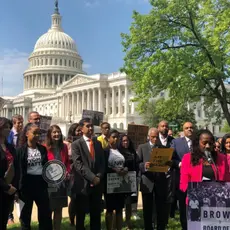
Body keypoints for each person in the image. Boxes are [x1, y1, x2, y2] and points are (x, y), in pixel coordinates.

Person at [16, 123, 52, 230]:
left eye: (38, 133)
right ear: (27, 134)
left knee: (45, 213)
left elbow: (46, 166)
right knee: (25, 215)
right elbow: (18, 170)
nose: (37, 135)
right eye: (34, 133)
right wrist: (17, 189)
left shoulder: (42, 149)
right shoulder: (20, 151)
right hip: (26, 185)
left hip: (41, 183)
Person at [71, 118, 105, 230]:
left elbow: (102, 162)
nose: (91, 128)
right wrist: (92, 177)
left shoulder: (98, 143)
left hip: (97, 185)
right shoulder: (76, 144)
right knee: (80, 215)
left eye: (92, 126)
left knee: (95, 215)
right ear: (81, 128)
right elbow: (78, 164)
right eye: (88, 126)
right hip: (82, 185)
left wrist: (98, 176)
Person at [138, 128, 170, 230]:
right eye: (153, 137)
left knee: (161, 208)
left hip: (160, 181)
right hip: (147, 181)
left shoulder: (163, 148)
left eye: (157, 137)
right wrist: (144, 166)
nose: (155, 139)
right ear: (148, 137)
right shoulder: (142, 147)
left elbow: (169, 163)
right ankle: (148, 227)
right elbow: (137, 163)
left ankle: (161, 227)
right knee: (147, 209)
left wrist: (167, 165)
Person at [180, 129, 229, 195]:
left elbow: (227, 180)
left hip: (217, 198)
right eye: (204, 143)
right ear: (197, 143)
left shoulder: (222, 158)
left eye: (210, 143)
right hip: (196, 198)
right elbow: (183, 183)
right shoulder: (188, 158)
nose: (208, 146)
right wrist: (194, 190)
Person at [44, 125, 70, 230]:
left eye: (58, 132)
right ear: (50, 134)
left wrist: (67, 171)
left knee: (59, 209)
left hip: (62, 181)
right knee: (49, 208)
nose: (56, 134)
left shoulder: (64, 146)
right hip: (49, 181)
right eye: (54, 132)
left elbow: (67, 162)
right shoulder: (44, 147)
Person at [170, 122, 194, 230]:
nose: (189, 129)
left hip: (198, 180)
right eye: (187, 128)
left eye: (191, 127)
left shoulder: (199, 142)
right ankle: (185, 227)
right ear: (183, 130)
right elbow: (171, 158)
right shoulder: (176, 142)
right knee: (183, 205)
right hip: (182, 179)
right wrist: (180, 164)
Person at [104, 130, 128, 230]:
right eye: (113, 137)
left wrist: (125, 169)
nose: (116, 139)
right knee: (110, 209)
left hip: (120, 183)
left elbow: (125, 163)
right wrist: (114, 170)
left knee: (119, 208)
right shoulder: (105, 151)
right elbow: (103, 166)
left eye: (117, 137)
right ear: (108, 138)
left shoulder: (121, 150)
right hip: (109, 184)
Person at [118, 134, 139, 229]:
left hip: (131, 180)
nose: (125, 142)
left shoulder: (133, 152)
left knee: (129, 203)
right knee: (119, 203)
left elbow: (137, 165)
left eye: (127, 141)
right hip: (119, 180)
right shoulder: (117, 152)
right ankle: (118, 222)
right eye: (123, 141)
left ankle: (128, 221)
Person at [0, 117, 17, 230]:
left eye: (9, 128)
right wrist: (5, 187)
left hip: (9, 189)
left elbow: (15, 167)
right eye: (5, 127)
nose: (8, 130)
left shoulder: (10, 147)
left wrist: (13, 187)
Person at [64, 123, 82, 226]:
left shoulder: (83, 142)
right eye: (77, 130)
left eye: (80, 130)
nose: (79, 132)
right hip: (72, 174)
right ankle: (72, 220)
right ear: (72, 131)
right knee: (74, 198)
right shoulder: (67, 144)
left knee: (81, 198)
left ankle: (80, 221)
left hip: (82, 173)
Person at [7, 114, 23, 224]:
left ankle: (21, 215)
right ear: (14, 123)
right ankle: (9, 216)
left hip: (20, 166)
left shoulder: (23, 134)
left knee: (19, 191)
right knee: (9, 190)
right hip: (10, 165)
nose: (21, 124)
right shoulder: (10, 134)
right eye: (19, 122)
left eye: (22, 122)